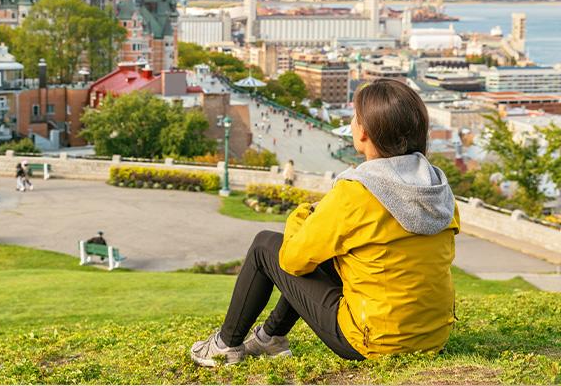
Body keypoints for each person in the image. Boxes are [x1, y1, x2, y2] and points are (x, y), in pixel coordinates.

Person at [190, 79, 459, 367]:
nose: (353, 124)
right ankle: (270, 338)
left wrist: (304, 215)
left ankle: (225, 345)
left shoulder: (356, 193)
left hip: (373, 340)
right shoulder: (437, 189)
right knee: (332, 255)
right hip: (433, 336)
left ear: (365, 132)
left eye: (355, 118)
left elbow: (292, 260)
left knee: (264, 245)